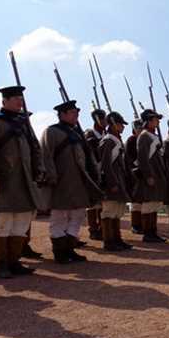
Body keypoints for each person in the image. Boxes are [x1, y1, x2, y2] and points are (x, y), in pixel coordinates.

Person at [0, 85, 45, 278]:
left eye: (21, 98)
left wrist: (38, 170)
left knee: (22, 222)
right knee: (3, 223)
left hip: (24, 181)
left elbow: (35, 148)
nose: (19, 101)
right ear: (4, 101)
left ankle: (14, 261)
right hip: (4, 181)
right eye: (15, 98)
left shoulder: (23, 122)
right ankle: (1, 263)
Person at [40, 100, 102, 263]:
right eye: (73, 112)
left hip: (79, 181)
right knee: (59, 217)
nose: (76, 115)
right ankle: (60, 253)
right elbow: (46, 156)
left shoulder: (77, 133)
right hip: (61, 181)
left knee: (78, 215)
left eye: (77, 112)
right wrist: (52, 178)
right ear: (62, 114)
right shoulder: (52, 131)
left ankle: (70, 249)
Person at [98, 111, 133, 251]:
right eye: (119, 124)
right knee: (109, 212)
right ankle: (109, 241)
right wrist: (112, 183)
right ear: (113, 124)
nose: (122, 127)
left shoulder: (115, 140)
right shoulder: (108, 141)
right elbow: (106, 164)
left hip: (119, 180)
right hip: (111, 182)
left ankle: (117, 239)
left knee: (117, 212)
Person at [134, 109, 168, 243]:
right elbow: (143, 158)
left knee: (154, 205)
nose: (158, 121)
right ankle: (148, 233)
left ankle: (152, 232)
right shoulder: (144, 136)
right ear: (148, 121)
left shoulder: (152, 135)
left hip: (157, 174)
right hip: (151, 175)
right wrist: (148, 175)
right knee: (149, 205)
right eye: (155, 119)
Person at [84, 108, 107, 241]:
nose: (104, 122)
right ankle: (93, 229)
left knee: (103, 203)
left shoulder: (105, 134)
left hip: (104, 170)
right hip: (93, 171)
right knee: (93, 204)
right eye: (102, 119)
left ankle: (102, 228)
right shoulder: (90, 134)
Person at [126, 119, 145, 235]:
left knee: (143, 201)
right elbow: (130, 158)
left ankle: (142, 224)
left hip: (143, 173)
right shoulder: (132, 140)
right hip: (134, 173)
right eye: (139, 128)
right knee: (136, 202)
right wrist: (141, 166)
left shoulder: (143, 140)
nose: (141, 130)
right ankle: (135, 225)